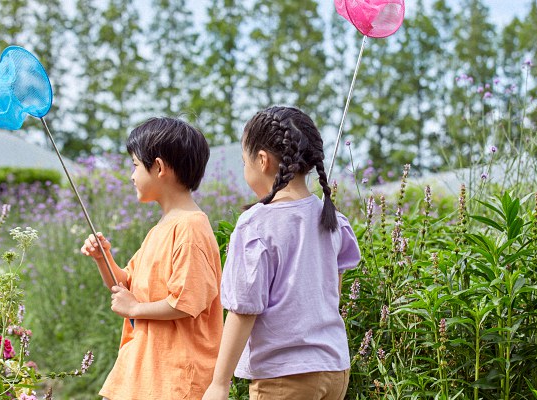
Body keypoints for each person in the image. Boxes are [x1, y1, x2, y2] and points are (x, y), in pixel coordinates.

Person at [202, 106, 361, 400]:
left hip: (284, 375)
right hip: (334, 369)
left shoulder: (256, 224)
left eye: (243, 161)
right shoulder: (332, 218)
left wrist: (219, 383)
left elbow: (243, 310)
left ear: (262, 160)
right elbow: (333, 292)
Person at [81, 117, 223, 400]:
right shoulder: (161, 228)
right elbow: (124, 287)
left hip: (173, 380)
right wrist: (103, 258)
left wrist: (134, 309)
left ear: (158, 167)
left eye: (135, 165)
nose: (132, 175)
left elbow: (185, 302)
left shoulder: (190, 228)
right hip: (142, 373)